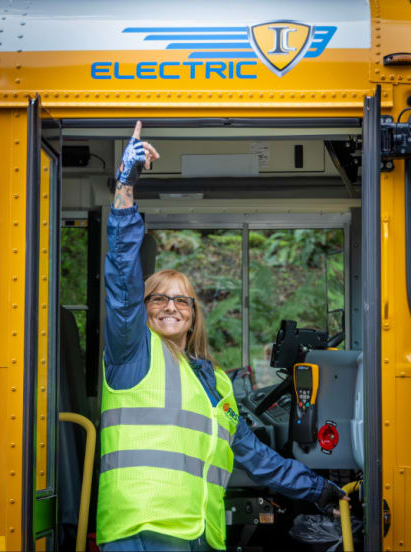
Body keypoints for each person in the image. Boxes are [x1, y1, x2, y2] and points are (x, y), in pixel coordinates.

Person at [96, 121, 346, 552]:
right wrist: (125, 191)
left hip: (199, 535)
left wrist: (319, 491)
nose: (171, 306)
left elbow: (254, 455)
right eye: (158, 299)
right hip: (143, 530)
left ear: (194, 318)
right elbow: (120, 279)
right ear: (144, 309)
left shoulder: (215, 382)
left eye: (182, 301)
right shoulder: (132, 351)